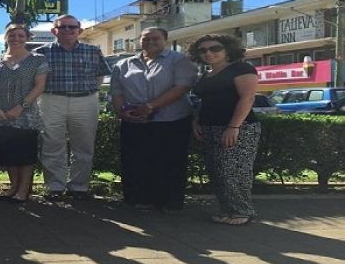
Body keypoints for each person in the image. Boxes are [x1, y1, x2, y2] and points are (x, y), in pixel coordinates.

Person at [110, 27, 197, 212]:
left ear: (165, 39)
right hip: (134, 122)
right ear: (139, 41)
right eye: (145, 38)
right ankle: (139, 199)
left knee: (170, 162)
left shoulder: (179, 60)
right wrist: (122, 112)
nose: (150, 42)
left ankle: (169, 202)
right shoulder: (123, 64)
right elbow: (116, 92)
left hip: (171, 121)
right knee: (136, 162)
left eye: (155, 38)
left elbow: (181, 87)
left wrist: (151, 106)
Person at [35, 14, 110, 201]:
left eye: (72, 27)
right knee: (52, 144)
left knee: (84, 145)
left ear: (80, 30)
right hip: (51, 100)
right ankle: (55, 186)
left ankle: (79, 186)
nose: (67, 30)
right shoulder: (41, 53)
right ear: (54, 31)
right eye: (63, 27)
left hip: (85, 101)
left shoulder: (93, 51)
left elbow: (101, 75)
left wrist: (90, 91)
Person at [188, 34, 261, 225]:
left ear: (227, 49)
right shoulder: (206, 74)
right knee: (218, 171)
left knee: (234, 170)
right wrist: (196, 121)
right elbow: (204, 101)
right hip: (210, 127)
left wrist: (234, 126)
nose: (209, 53)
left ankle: (242, 212)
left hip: (238, 127)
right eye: (203, 50)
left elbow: (247, 99)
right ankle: (227, 209)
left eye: (215, 48)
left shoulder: (242, 68)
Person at [0, 24, 48, 202]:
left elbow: (39, 86)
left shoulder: (37, 59)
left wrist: (21, 107)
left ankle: (23, 190)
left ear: (27, 38)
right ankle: (13, 187)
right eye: (12, 35)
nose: (16, 38)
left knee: (25, 153)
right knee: (7, 152)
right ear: (5, 37)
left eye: (20, 35)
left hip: (25, 114)